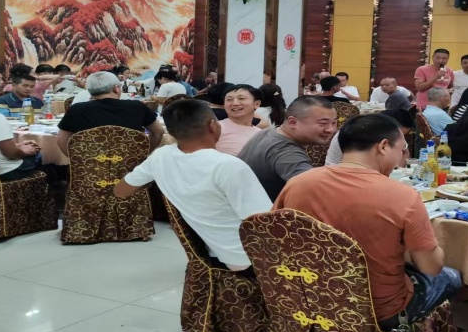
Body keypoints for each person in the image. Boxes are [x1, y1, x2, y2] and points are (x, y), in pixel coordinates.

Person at [274, 114, 461, 330]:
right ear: (383, 146)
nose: (401, 159)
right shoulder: (403, 196)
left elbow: (273, 235)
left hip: (306, 299)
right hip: (377, 311)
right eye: (402, 150)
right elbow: (431, 267)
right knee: (451, 276)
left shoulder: (298, 184)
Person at [114, 99, 272, 272]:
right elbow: (266, 223)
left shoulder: (161, 157)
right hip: (250, 257)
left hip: (212, 250)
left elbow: (120, 191)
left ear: (171, 132)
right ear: (213, 126)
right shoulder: (228, 166)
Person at [237, 96, 337, 201]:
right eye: (323, 123)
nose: (331, 129)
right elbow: (318, 192)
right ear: (292, 122)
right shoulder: (286, 152)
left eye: (334, 123)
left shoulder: (269, 132)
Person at [56, 71, 163, 155]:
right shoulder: (137, 107)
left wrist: (78, 159)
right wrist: (141, 155)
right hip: (130, 168)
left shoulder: (77, 110)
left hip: (90, 169)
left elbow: (62, 139)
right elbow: (158, 131)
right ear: (116, 89)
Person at [326, 109, 413, 166]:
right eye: (399, 133)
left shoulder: (392, 135)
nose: (399, 137)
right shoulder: (350, 134)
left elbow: (405, 152)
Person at [215, 84, 265, 156]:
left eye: (241, 98)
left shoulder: (261, 134)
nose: (235, 103)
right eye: (229, 99)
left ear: (256, 104)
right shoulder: (215, 128)